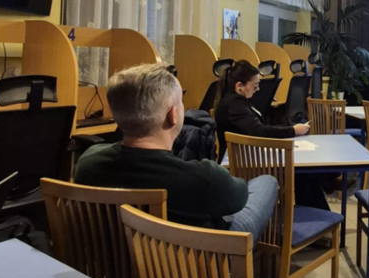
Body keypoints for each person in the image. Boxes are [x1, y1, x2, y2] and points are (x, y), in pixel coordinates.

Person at [75, 63, 278, 244]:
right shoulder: (206, 177)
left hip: (119, 262)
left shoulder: (87, 163)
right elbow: (239, 196)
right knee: (266, 182)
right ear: (173, 115)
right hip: (199, 262)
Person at [213, 59, 333, 211]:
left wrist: (289, 129)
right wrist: (293, 130)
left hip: (246, 158)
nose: (257, 89)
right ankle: (318, 213)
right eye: (255, 86)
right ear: (239, 86)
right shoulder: (235, 105)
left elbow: (258, 128)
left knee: (303, 173)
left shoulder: (235, 101)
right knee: (302, 173)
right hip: (243, 165)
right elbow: (260, 131)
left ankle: (316, 211)